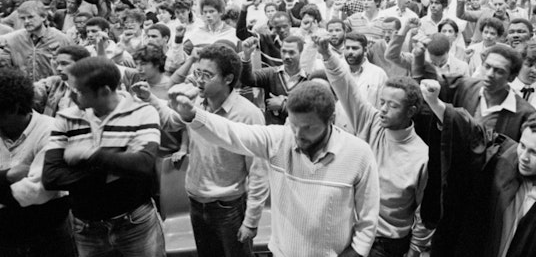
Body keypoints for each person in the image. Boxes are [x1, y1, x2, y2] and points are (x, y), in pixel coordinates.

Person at [164, 80, 380, 257]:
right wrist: (193, 115)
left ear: (331, 120)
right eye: (293, 124)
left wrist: (356, 253)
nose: (297, 134)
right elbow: (233, 133)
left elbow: (368, 218)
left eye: (308, 127)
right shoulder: (279, 139)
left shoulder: (359, 153)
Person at [419, 79, 536, 257]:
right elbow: (471, 132)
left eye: (535, 153)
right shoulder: (505, 156)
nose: (523, 157)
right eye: (522, 146)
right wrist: (435, 102)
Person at [133, 44, 268, 257]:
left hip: (229, 206)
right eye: (197, 73)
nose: (199, 80)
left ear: (228, 79)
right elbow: (171, 121)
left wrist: (251, 220)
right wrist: (149, 98)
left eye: (207, 75)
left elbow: (259, 172)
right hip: (196, 201)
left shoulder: (247, 114)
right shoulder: (196, 102)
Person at [318, 35, 431, 257]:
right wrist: (327, 55)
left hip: (386, 242)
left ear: (411, 112)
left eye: (393, 105)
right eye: (381, 102)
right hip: (352, 229)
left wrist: (415, 250)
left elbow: (424, 211)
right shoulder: (373, 121)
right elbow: (346, 87)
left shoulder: (421, 157)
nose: (383, 110)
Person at [42, 57, 165, 257]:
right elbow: (51, 176)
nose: (72, 96)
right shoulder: (67, 117)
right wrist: (115, 168)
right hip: (86, 227)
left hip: (134, 223)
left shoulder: (142, 112)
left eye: (79, 91)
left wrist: (90, 154)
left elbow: (143, 165)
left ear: (104, 91)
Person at [0, 69, 76, 257]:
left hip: (47, 235)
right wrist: (8, 175)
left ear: (16, 108)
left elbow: (36, 193)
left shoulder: (52, 131)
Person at [239, 35, 310, 125]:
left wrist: (283, 105)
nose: (286, 56)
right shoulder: (271, 73)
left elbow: (310, 112)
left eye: (292, 52)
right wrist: (246, 55)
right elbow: (247, 80)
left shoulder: (309, 80)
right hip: (272, 133)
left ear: (301, 53)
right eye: (283, 52)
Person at [0, 0, 72, 82]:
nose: (26, 21)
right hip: (24, 89)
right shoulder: (13, 38)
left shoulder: (61, 39)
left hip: (52, 90)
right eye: (23, 18)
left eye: (30, 17)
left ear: (43, 17)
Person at [33, 45, 91, 117]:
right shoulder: (54, 83)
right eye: (58, 64)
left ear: (82, 64)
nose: (58, 68)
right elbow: (33, 90)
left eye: (64, 64)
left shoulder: (93, 90)